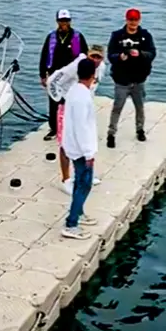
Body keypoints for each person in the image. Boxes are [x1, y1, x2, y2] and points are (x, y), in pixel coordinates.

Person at [47, 44, 106, 194]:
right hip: (67, 107)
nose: (95, 60)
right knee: (65, 143)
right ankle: (66, 179)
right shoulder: (76, 66)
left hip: (85, 107)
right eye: (93, 56)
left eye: (99, 57)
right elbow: (53, 80)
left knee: (85, 140)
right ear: (88, 55)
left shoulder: (101, 68)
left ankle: (84, 174)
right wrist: (60, 99)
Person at [60, 58, 100, 240]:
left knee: (78, 182)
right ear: (94, 74)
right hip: (81, 149)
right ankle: (71, 223)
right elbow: (82, 127)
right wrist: (89, 153)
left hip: (72, 145)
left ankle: (80, 212)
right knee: (85, 184)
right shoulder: (83, 97)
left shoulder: (74, 91)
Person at [106, 8, 156, 148]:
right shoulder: (117, 36)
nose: (133, 22)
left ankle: (140, 130)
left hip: (139, 79)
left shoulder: (145, 36)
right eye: (131, 19)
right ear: (126, 19)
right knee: (117, 107)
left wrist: (140, 54)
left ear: (139, 20)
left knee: (140, 107)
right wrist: (120, 57)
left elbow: (152, 54)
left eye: (135, 19)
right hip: (121, 79)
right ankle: (111, 133)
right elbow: (110, 55)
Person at [38, 9, 89, 141]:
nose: (64, 23)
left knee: (72, 102)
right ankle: (54, 129)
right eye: (61, 21)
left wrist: (87, 76)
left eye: (66, 20)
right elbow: (44, 56)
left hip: (72, 76)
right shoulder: (51, 37)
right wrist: (43, 75)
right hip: (55, 76)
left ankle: (72, 129)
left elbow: (85, 56)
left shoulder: (78, 36)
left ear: (70, 21)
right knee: (54, 103)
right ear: (57, 21)